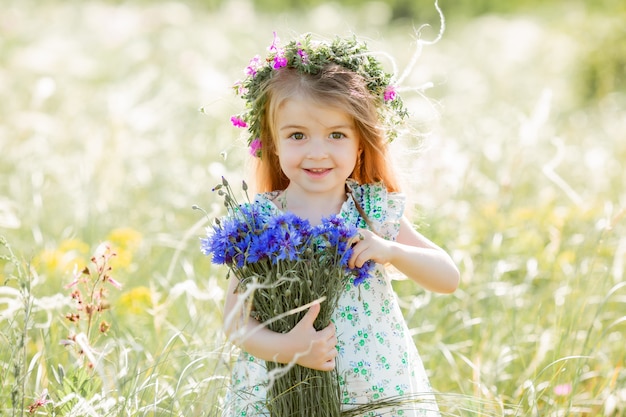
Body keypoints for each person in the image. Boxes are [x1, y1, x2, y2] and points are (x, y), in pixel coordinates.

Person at [221, 32, 460, 416]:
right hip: (284, 392)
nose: (318, 152)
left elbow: (448, 277)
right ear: (273, 143)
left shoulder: (372, 213)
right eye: (297, 135)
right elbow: (235, 323)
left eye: (336, 135)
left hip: (375, 389)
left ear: (360, 144)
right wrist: (291, 348)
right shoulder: (260, 221)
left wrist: (391, 251)